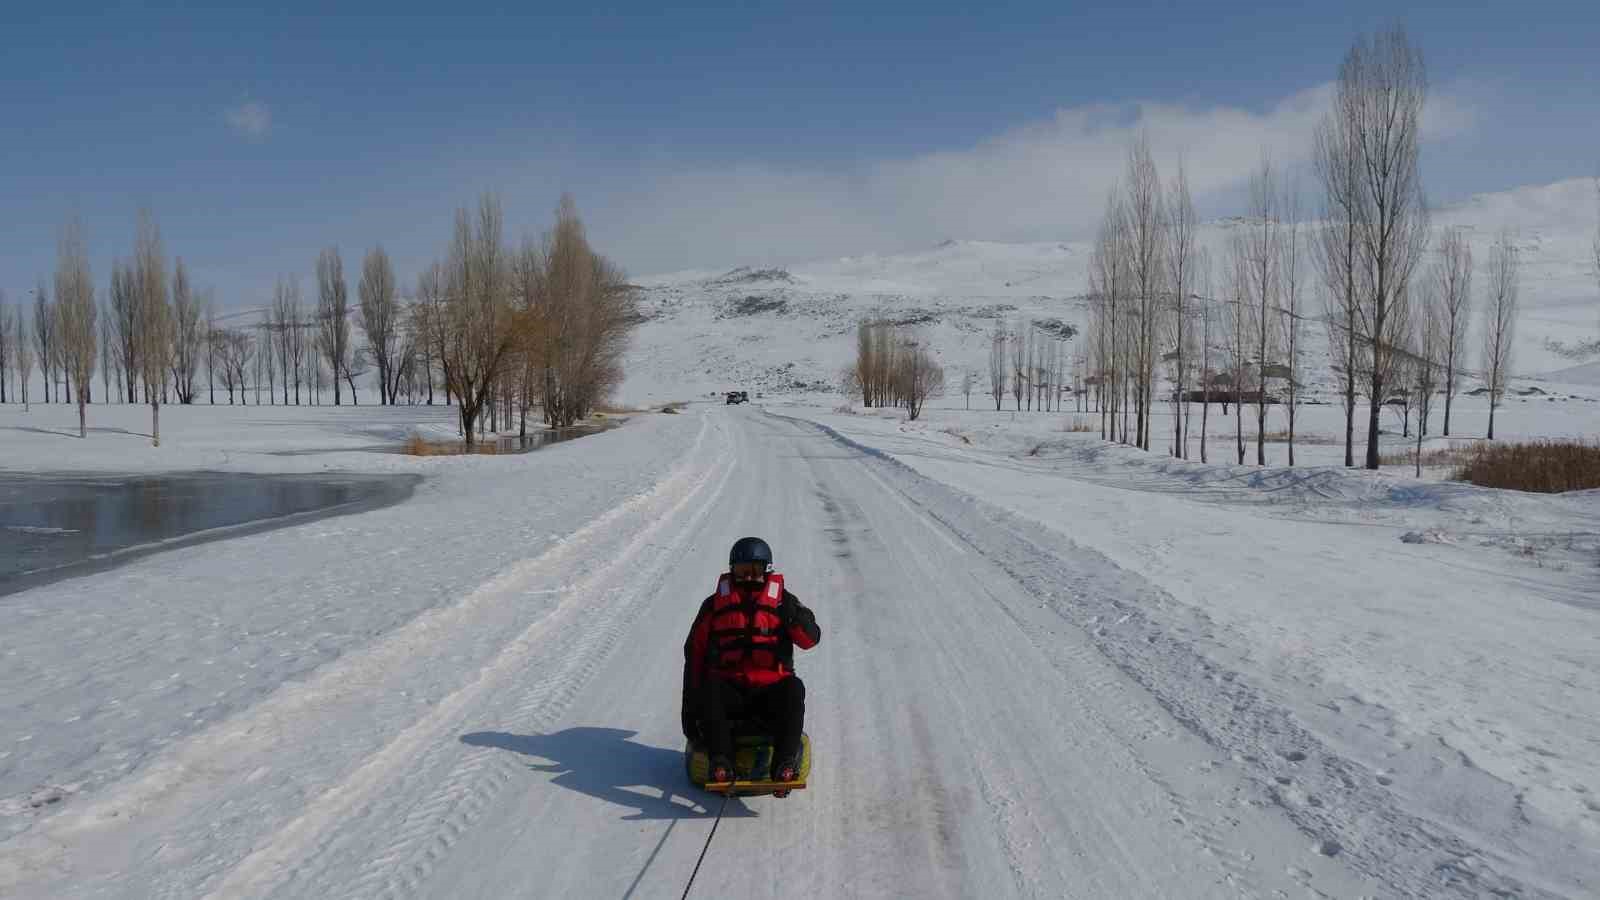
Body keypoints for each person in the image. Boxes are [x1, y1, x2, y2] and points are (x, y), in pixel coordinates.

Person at [682, 537, 820, 787]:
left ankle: (784, 764)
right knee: (709, 688)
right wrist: (690, 711)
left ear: (767, 571)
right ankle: (722, 762)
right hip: (730, 691)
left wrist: (793, 618)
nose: (747, 578)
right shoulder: (713, 606)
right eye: (742, 571)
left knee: (794, 688)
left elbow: (810, 640)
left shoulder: (784, 602)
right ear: (731, 570)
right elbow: (694, 655)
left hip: (771, 691)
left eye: (754, 572)